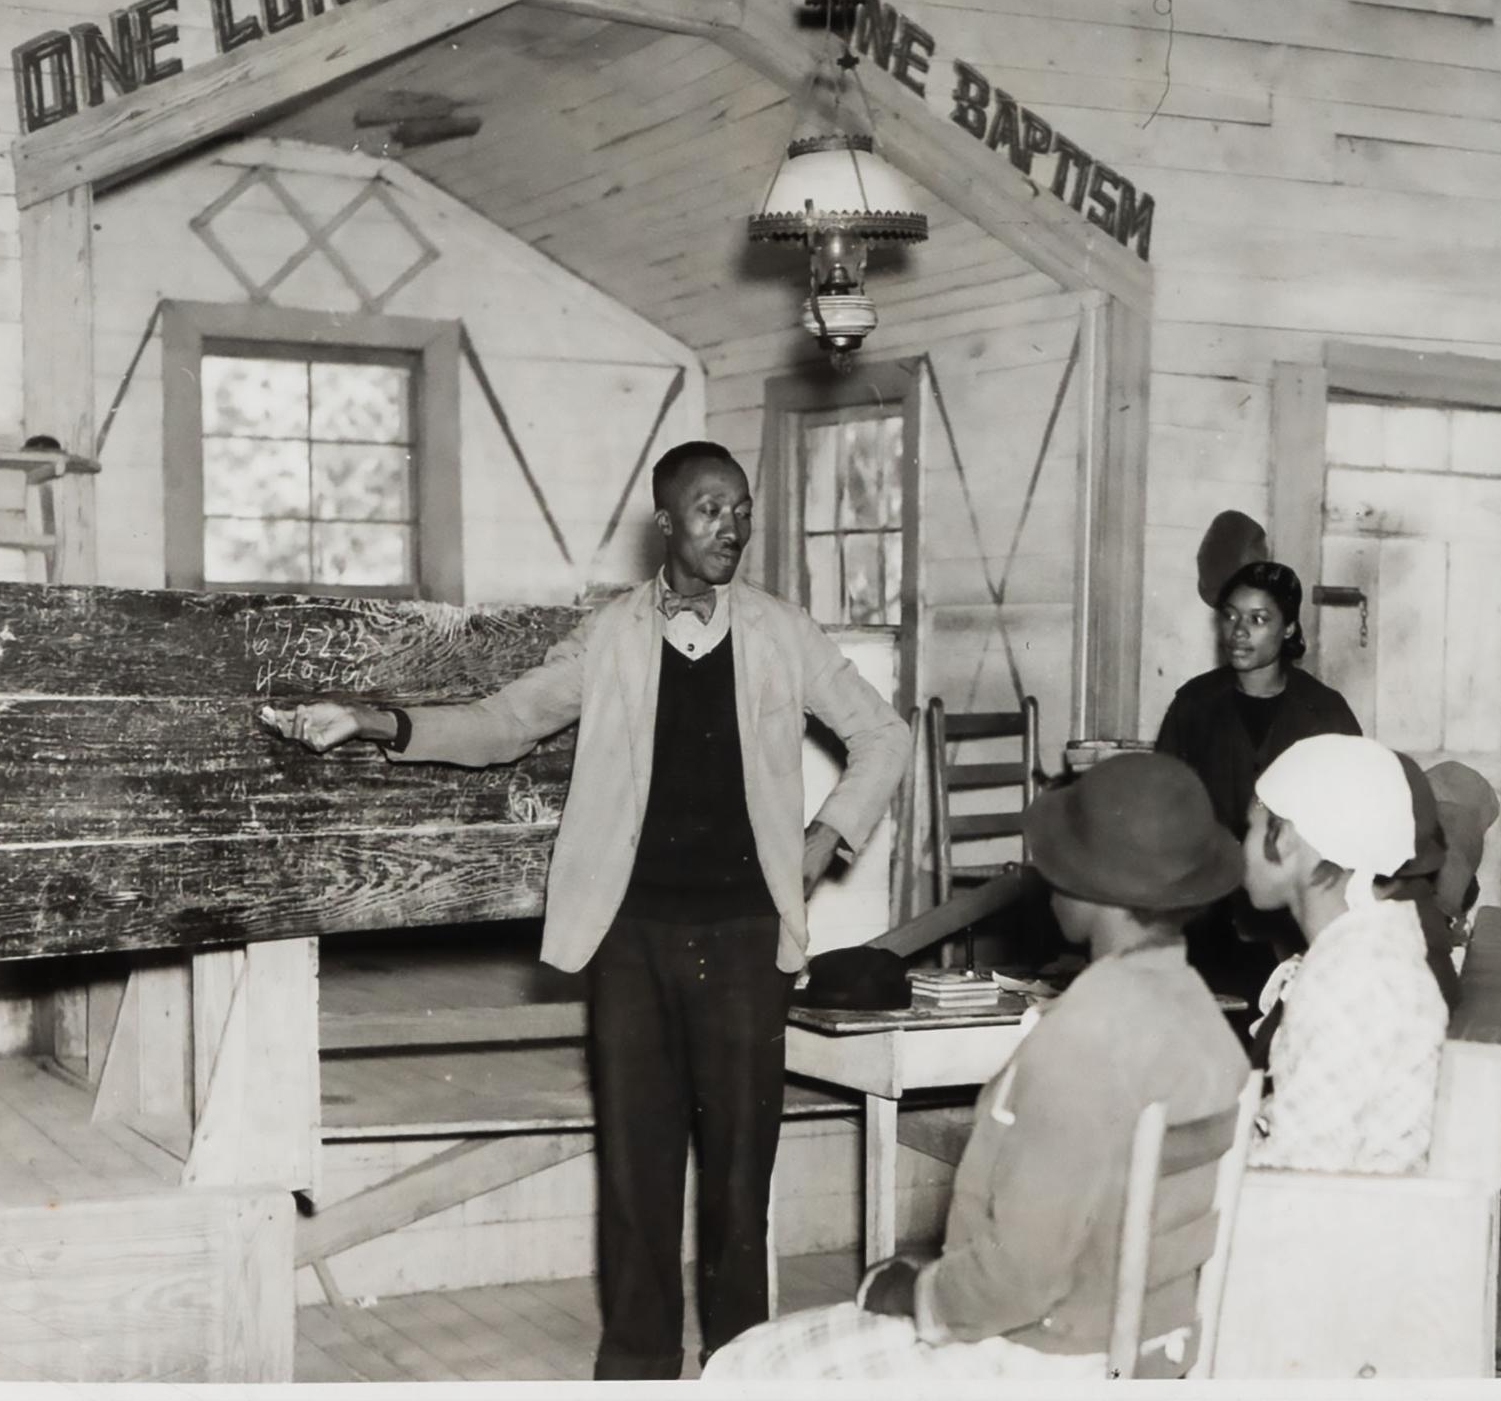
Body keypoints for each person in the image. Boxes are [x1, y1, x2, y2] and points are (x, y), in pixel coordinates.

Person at [261, 441, 911, 1379]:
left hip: (746, 941)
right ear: (666, 521)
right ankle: (637, 1366)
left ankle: (742, 1365)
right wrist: (374, 720)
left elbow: (881, 734)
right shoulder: (609, 636)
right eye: (709, 509)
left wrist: (822, 840)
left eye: (741, 509)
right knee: (637, 1171)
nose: (730, 526)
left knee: (739, 1176)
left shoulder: (781, 630)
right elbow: (501, 723)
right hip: (632, 939)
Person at [702, 753, 1248, 1380]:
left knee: (742, 1366)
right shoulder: (1208, 1020)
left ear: (1090, 885)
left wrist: (916, 1295)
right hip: (1156, 1344)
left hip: (1043, 1357)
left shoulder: (1084, 1035)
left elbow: (1020, 1277)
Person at [1155, 518, 1361, 1002]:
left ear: (1288, 627)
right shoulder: (1194, 705)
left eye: (1258, 619)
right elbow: (1165, 806)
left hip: (1295, 925)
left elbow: (1352, 829)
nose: (1239, 632)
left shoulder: (1326, 712)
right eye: (1230, 616)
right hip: (1206, 922)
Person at [1239, 733, 1447, 1175]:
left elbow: (1300, 1175)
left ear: (1290, 839)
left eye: (1250, 828)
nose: (1242, 847)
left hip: (1346, 1228)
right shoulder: (1363, 950)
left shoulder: (1355, 977)